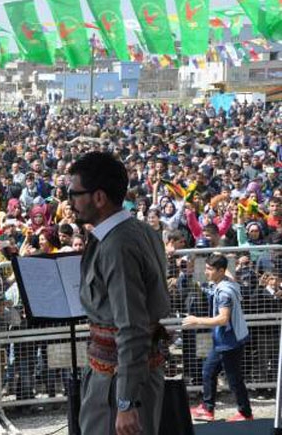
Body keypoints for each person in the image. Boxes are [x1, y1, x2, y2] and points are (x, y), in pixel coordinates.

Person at [69, 152, 170, 435]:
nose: (71, 203)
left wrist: (125, 401)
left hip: (117, 383)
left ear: (99, 197)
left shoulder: (117, 246)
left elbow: (131, 326)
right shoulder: (140, 231)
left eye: (74, 194)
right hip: (128, 376)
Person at [183, 254, 253, 422]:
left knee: (234, 379)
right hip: (222, 341)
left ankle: (245, 414)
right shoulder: (226, 282)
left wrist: (195, 320)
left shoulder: (225, 292)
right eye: (205, 268)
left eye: (209, 269)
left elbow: (222, 319)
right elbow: (224, 276)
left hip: (229, 343)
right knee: (208, 371)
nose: (205, 272)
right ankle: (208, 409)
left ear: (220, 271)